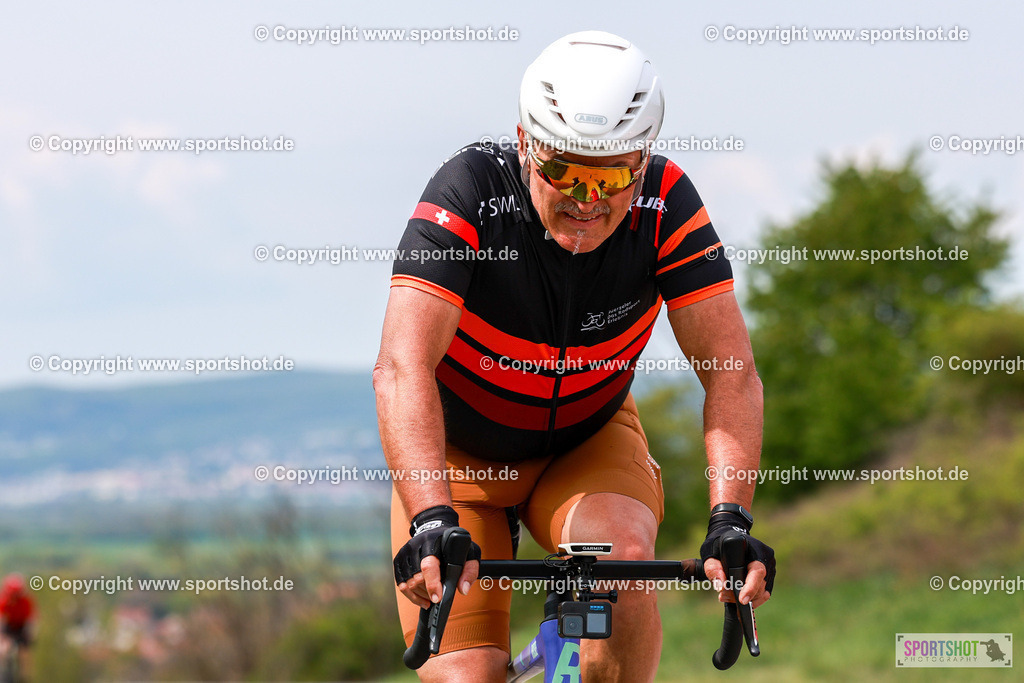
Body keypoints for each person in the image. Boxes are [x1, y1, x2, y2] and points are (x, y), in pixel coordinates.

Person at [375, 30, 775, 682]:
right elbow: (401, 366)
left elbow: (731, 372)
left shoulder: (666, 203)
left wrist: (730, 517)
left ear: (641, 163)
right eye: (564, 169)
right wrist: (430, 516)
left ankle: (587, 637)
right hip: (462, 461)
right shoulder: (469, 192)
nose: (588, 198)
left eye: (612, 174)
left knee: (621, 564)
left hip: (586, 445)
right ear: (525, 143)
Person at [0, 574, 34, 681]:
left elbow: (31, 620)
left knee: (24, 653)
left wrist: (29, 635)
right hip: (8, 626)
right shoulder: (4, 601)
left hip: (22, 627)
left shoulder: (25, 602)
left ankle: (24, 677)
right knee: (3, 649)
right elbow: (2, 619)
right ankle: (4, 673)